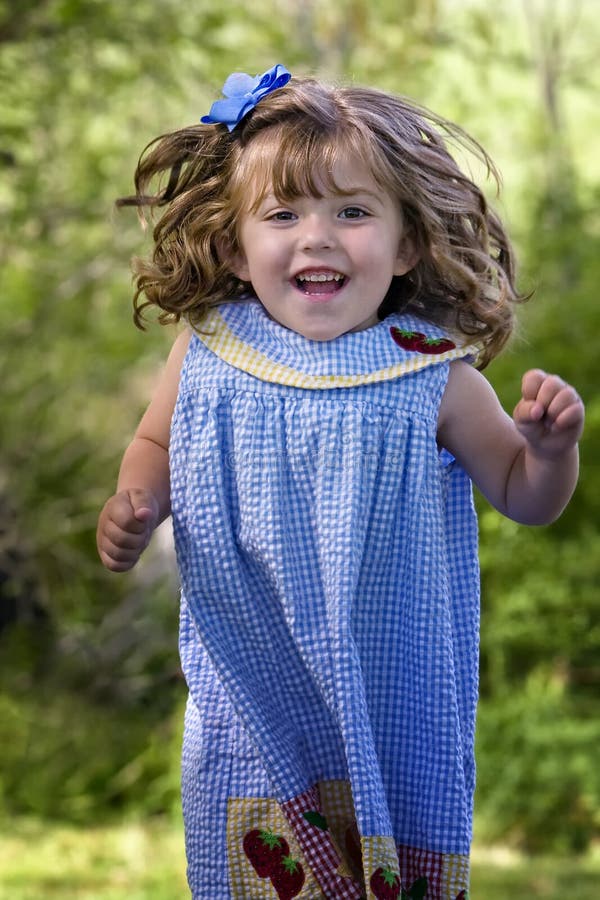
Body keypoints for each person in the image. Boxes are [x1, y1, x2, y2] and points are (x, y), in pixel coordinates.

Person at [97, 64, 584, 900]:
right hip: (255, 670)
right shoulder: (211, 348)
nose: (317, 238)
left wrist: (545, 452)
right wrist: (134, 504)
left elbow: (521, 495)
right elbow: (155, 440)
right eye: (283, 215)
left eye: (351, 212)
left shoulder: (430, 373)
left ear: (405, 245)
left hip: (387, 673)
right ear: (236, 248)